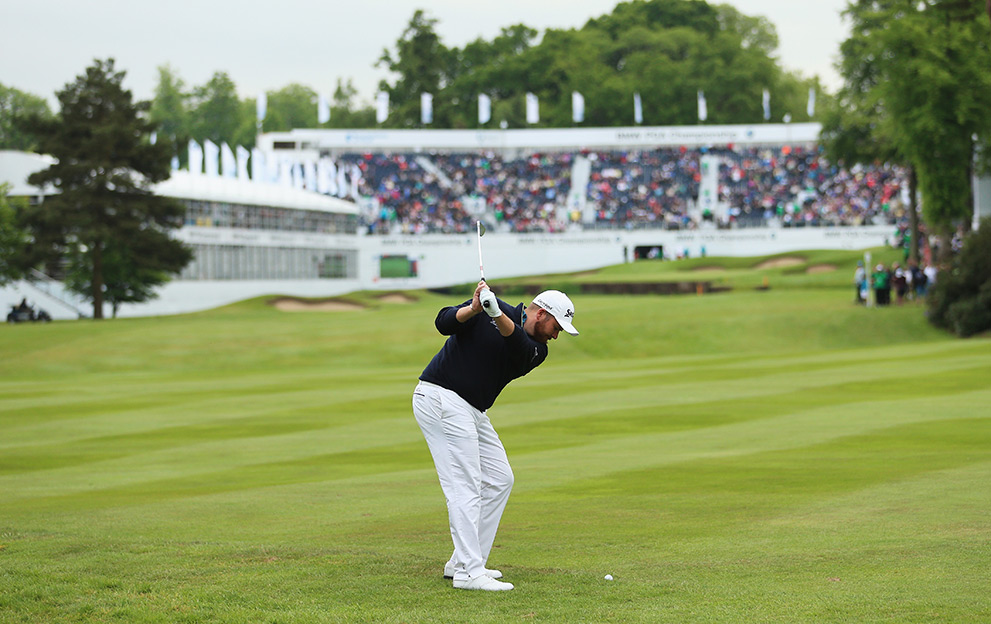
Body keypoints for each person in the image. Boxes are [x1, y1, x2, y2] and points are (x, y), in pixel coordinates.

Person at [412, 281, 578, 591]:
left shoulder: (537, 350)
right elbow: (443, 322)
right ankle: (469, 574)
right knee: (465, 486)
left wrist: (494, 312)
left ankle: (462, 562)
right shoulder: (488, 305)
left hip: (472, 409)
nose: (557, 335)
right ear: (541, 314)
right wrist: (473, 309)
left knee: (501, 479)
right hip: (440, 396)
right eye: (556, 326)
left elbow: (516, 343)